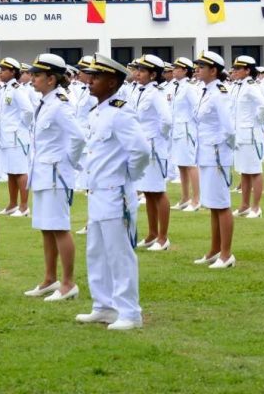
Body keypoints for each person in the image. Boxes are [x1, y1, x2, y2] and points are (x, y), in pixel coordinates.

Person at [75, 53, 149, 330]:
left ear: (113, 82)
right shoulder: (98, 111)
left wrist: (128, 176)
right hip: (97, 191)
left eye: (97, 77)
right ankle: (103, 306)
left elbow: (140, 150)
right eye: (90, 76)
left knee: (119, 254)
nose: (90, 81)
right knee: (97, 252)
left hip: (115, 191)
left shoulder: (120, 112)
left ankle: (130, 312)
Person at [24, 53, 86, 301]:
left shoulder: (60, 103)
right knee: (46, 228)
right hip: (42, 173)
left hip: (55, 175)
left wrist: (68, 162)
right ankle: (50, 279)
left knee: (59, 227)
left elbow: (79, 137)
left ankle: (68, 282)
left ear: (52, 78)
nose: (32, 79)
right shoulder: (45, 101)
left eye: (37, 75)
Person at [192, 51, 238, 268]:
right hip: (206, 153)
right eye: (198, 65)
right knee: (212, 204)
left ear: (214, 70)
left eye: (202, 66)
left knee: (221, 204)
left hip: (217, 154)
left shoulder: (220, 93)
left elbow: (228, 128)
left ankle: (226, 254)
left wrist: (224, 152)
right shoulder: (206, 91)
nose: (198, 68)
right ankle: (214, 249)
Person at [131, 54, 172, 250]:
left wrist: (158, 140)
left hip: (155, 147)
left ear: (153, 75)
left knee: (158, 191)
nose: (137, 74)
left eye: (142, 71)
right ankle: (152, 234)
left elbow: (166, 120)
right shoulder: (140, 91)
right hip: (144, 147)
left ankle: (163, 238)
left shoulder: (156, 93)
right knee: (148, 192)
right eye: (137, 70)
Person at [230, 56, 264, 219]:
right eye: (235, 68)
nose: (235, 71)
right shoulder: (238, 86)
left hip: (251, 134)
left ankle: (256, 207)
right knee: (244, 171)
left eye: (239, 68)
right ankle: (244, 205)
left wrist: (256, 122)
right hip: (240, 134)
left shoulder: (251, 86)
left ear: (248, 70)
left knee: (255, 171)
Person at [0, 57, 35, 217]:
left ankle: (24, 206)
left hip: (17, 136)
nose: (1, 73)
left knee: (20, 172)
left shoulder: (17, 89)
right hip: (7, 137)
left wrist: (21, 127)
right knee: (10, 172)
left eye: (4, 70)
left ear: (13, 72)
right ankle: (12, 204)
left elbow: (28, 111)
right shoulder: (6, 89)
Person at [169, 57, 201, 211]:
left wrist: (193, 128)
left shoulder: (189, 87)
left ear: (185, 70)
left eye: (177, 68)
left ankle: (196, 199)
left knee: (190, 165)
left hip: (188, 129)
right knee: (181, 164)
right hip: (178, 130)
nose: (174, 70)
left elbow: (197, 108)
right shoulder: (176, 86)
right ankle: (185, 198)